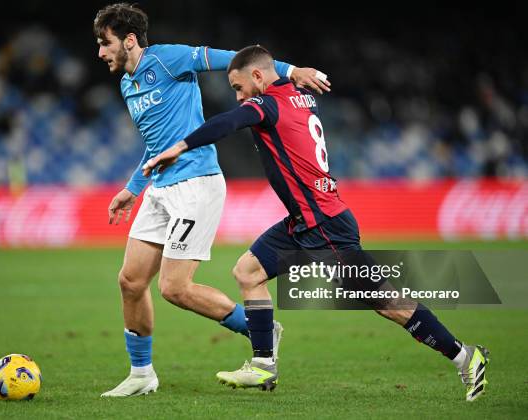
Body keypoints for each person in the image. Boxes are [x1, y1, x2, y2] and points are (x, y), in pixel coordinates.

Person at [143, 45, 490, 401]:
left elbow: (227, 123)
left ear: (258, 77)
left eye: (238, 86)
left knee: (385, 301)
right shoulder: (299, 96)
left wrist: (180, 146)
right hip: (303, 221)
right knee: (248, 272)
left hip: (325, 225)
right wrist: (293, 72)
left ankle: (465, 355)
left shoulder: (266, 105)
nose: (238, 95)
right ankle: (264, 364)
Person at [94, 3, 331, 397]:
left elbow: (233, 60)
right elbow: (156, 146)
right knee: (131, 281)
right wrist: (131, 189)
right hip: (160, 189)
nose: (101, 52)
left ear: (129, 40)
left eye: (106, 43)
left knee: (174, 288)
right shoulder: (127, 85)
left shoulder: (168, 59)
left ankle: (261, 329)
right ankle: (141, 375)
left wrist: (290, 71)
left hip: (196, 183)